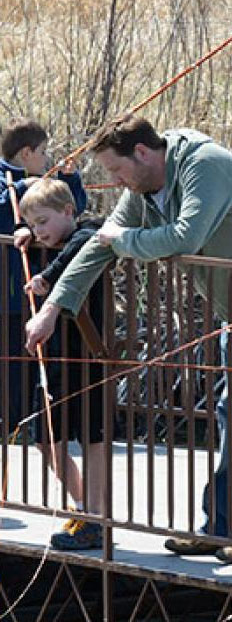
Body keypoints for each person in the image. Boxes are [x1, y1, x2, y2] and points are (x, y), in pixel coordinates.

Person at [24, 114, 232, 564]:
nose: (114, 181)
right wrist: (53, 308)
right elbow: (98, 245)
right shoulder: (143, 191)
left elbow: (185, 235)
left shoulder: (203, 165)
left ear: (143, 154)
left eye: (116, 170)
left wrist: (124, 239)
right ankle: (221, 527)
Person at [17, 179, 106, 549]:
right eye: (33, 224)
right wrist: (28, 233)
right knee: (45, 437)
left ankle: (95, 518)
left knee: (93, 437)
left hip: (88, 352)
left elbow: (82, 244)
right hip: (54, 356)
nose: (39, 231)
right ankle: (84, 507)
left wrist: (47, 277)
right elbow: (57, 242)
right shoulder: (54, 239)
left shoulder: (89, 231)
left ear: (68, 211)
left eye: (43, 222)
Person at [1, 119, 86, 441]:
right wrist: (25, 187)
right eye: (43, 152)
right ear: (26, 153)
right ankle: (11, 425)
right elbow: (8, 212)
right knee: (11, 364)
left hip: (31, 293)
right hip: (7, 295)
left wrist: (68, 180)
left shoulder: (40, 181)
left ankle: (23, 422)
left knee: (28, 363)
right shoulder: (7, 181)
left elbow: (72, 210)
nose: (46, 159)